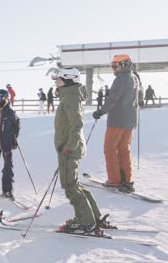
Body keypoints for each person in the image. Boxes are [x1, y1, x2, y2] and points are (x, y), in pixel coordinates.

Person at [52, 67, 103, 233]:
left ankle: (85, 221)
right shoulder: (69, 96)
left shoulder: (71, 97)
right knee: (73, 184)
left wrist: (69, 146)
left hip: (69, 147)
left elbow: (77, 124)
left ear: (68, 80)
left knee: (69, 185)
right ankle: (93, 216)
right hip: (68, 146)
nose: (55, 82)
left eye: (58, 79)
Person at [93, 54, 139, 193]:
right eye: (112, 65)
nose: (113, 69)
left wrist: (101, 111)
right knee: (124, 149)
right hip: (130, 120)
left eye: (115, 65)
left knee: (110, 148)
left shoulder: (121, 79)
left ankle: (114, 180)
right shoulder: (134, 77)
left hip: (118, 120)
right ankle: (127, 180)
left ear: (124, 64)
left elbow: (113, 98)